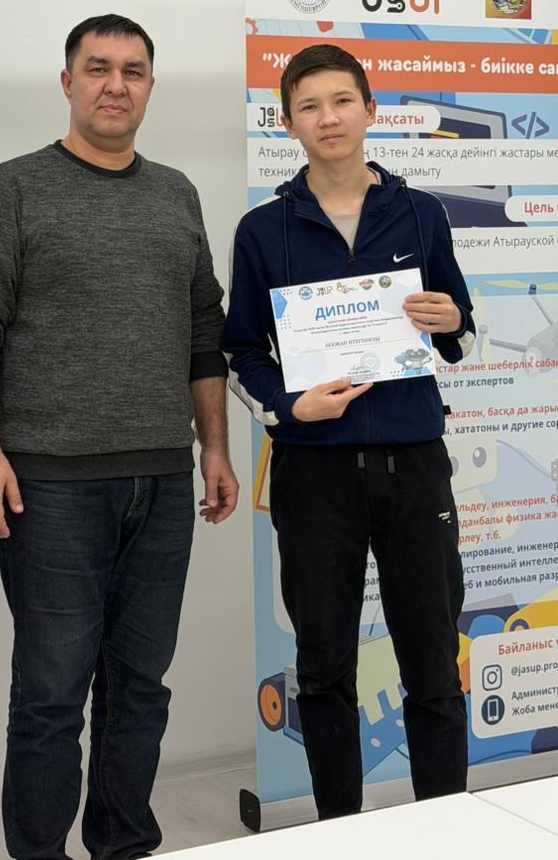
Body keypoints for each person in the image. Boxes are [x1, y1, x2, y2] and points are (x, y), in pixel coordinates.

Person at [0, 14, 239, 860]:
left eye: (133, 70)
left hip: (162, 480)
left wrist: (214, 448)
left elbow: (203, 329)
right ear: (67, 82)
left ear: (150, 85)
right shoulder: (18, 186)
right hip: (49, 486)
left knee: (140, 690)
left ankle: (124, 845)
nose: (116, 84)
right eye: (99, 67)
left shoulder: (177, 192)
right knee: (50, 697)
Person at [222, 43, 475, 820]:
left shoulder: (421, 213)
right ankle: (338, 832)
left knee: (432, 663)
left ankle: (446, 828)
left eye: (341, 102)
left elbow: (459, 333)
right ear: (287, 122)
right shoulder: (264, 229)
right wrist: (290, 407)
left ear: (369, 109)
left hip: (414, 464)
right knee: (324, 667)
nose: (327, 118)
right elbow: (240, 353)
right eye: (309, 106)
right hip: (314, 471)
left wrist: (451, 319)